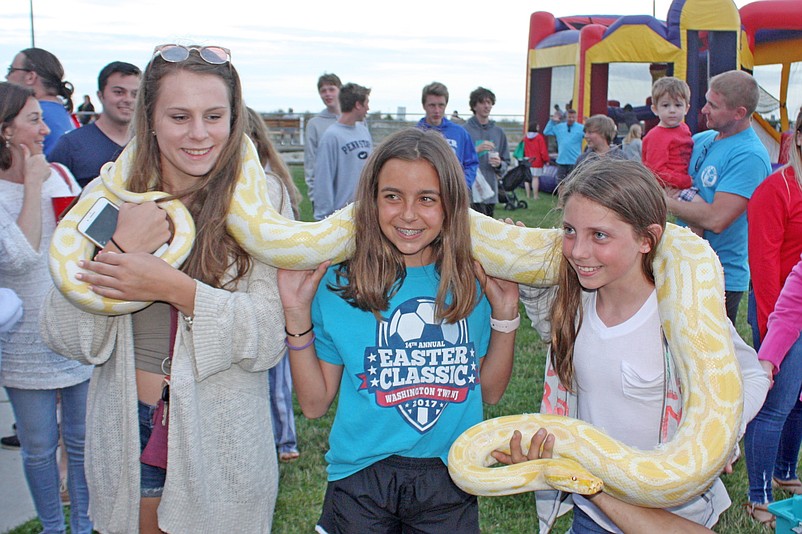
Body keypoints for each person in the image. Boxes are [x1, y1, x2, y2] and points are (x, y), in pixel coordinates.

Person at [40, 44, 287, 533]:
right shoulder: (106, 198)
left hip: (224, 438)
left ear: (234, 119)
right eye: (179, 116)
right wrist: (117, 249)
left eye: (214, 116)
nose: (199, 134)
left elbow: (267, 339)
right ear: (148, 119)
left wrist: (177, 289)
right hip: (128, 430)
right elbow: (65, 335)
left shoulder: (266, 200)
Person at [277, 127, 520, 533]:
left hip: (450, 478)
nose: (408, 214)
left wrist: (506, 312)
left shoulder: (472, 279)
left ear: (450, 206)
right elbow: (316, 404)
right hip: (360, 479)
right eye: (393, 196)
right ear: (371, 202)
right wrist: (296, 312)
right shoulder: (339, 284)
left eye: (427, 199)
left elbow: (491, 391)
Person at [511, 158, 769, 532]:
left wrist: (727, 430)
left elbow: (755, 374)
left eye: (599, 235)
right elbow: (561, 337)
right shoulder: (578, 303)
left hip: (675, 517)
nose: (578, 250)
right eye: (569, 230)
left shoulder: (683, 315)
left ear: (647, 239)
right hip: (593, 511)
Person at [0, 81, 92, 533]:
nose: (43, 129)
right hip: (23, 342)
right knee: (38, 446)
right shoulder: (16, 188)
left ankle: (84, 526)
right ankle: (53, 528)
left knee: (80, 441)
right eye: (33, 120)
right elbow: (21, 255)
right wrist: (33, 186)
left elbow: (85, 237)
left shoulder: (58, 174)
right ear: (4, 130)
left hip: (72, 327)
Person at [666, 70, 771, 325]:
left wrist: (663, 201)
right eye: (706, 101)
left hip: (718, 276)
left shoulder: (750, 156)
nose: (703, 110)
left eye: (713, 105)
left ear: (739, 113)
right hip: (680, 265)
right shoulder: (701, 140)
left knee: (706, 359)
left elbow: (716, 219)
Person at [743, 107, 802, 528]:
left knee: (798, 404)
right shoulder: (775, 189)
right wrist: (771, 338)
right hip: (783, 314)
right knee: (775, 405)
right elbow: (764, 268)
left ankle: (784, 472)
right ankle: (758, 494)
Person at [246, 106, 301, 462]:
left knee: (277, 376)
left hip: (274, 292)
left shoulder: (270, 187)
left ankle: (284, 441)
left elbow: (293, 244)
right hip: (246, 296)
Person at [50, 61, 141, 187]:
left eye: (135, 94)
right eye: (119, 92)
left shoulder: (149, 144)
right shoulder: (70, 145)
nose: (128, 100)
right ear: (100, 96)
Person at [312, 82, 372, 221]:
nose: (368, 108)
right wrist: (323, 218)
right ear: (358, 105)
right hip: (341, 217)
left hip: (363, 212)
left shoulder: (363, 130)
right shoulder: (331, 136)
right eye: (366, 103)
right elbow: (323, 179)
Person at [6, 48, 76, 157]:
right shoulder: (60, 111)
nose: (7, 77)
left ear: (30, 77)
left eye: (11, 70)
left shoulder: (34, 114)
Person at [416, 81, 478, 189]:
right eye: (432, 105)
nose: (437, 110)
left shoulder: (459, 133)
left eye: (441, 105)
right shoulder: (414, 134)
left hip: (452, 193)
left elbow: (471, 163)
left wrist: (464, 184)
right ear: (424, 106)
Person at [463, 86, 509, 217]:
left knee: (488, 231)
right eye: (483, 102)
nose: (487, 106)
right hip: (469, 191)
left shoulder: (498, 132)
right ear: (474, 105)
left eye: (489, 102)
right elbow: (455, 160)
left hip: (490, 191)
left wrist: (499, 164)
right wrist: (475, 151)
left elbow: (506, 161)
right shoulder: (464, 131)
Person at [304, 73, 342, 206]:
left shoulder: (357, 121)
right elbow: (311, 160)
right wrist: (314, 194)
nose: (327, 94)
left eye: (331, 89)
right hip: (326, 196)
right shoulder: (314, 124)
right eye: (323, 91)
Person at [543, 107, 584, 181]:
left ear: (576, 118)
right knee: (560, 182)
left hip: (575, 161)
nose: (571, 119)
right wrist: (552, 121)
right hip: (562, 161)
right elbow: (546, 132)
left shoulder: (581, 128)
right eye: (569, 117)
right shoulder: (559, 127)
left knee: (574, 182)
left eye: (573, 117)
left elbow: (589, 136)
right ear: (566, 117)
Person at [521, 120, 549, 200]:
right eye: (537, 126)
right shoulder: (539, 137)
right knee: (535, 178)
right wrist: (546, 160)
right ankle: (535, 196)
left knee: (527, 178)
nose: (539, 128)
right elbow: (543, 150)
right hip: (537, 161)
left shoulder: (525, 137)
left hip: (527, 160)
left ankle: (528, 195)